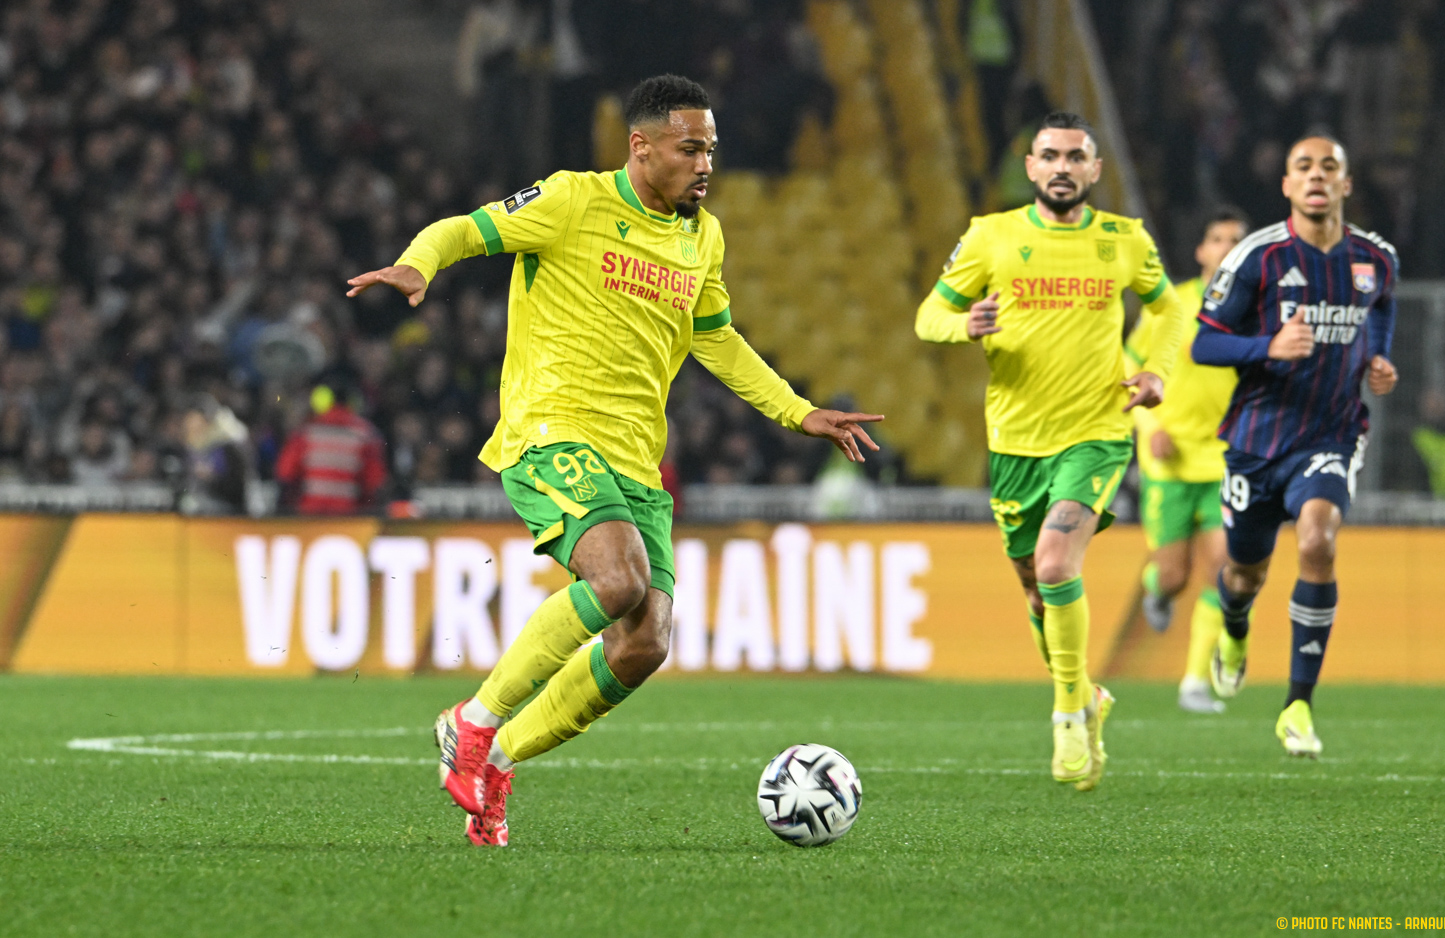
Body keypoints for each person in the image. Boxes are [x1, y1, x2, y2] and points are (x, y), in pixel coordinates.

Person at [346, 74, 882, 846]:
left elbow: (715, 338)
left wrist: (798, 410)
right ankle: (472, 720)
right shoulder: (572, 200)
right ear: (642, 146)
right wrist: (417, 265)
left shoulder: (703, 237)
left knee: (644, 643)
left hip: (636, 464)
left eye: (711, 149)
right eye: (690, 148)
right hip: (553, 433)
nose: (705, 164)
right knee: (619, 579)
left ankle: (499, 759)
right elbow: (466, 229)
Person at [915, 111, 1186, 792]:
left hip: (1096, 432)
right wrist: (964, 324)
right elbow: (928, 316)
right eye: (1050, 156)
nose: (1063, 167)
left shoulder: (1124, 239)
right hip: (1015, 443)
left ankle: (1067, 714)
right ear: (1031, 167)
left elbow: (1169, 309)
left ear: (1095, 169)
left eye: (1075, 156)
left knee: (1058, 561)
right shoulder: (991, 236)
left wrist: (1157, 372)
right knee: (1038, 591)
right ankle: (1087, 694)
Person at [1192, 135, 1398, 757]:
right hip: (1256, 442)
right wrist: (1268, 347)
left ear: (1346, 184)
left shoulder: (1376, 258)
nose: (1316, 176)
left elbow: (1381, 309)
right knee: (1244, 574)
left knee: (1317, 541)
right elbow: (1205, 343)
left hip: (1332, 433)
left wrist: (1378, 358)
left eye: (1328, 167)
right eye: (1303, 167)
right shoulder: (1257, 255)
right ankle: (1234, 629)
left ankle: (1298, 705)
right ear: (1286, 185)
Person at [1124, 208, 1248, 714]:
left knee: (1225, 571)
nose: (1226, 248)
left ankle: (1195, 682)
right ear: (1200, 250)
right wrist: (1150, 427)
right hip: (1169, 464)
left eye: (1236, 240)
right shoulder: (1170, 306)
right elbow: (1130, 366)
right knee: (1174, 576)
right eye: (1217, 239)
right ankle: (1158, 590)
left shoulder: (1258, 311)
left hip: (1225, 460)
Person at [273, 381, 388, 515]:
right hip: (349, 517)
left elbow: (285, 473)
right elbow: (374, 482)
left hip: (309, 515)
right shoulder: (366, 435)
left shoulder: (307, 433)